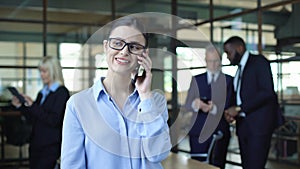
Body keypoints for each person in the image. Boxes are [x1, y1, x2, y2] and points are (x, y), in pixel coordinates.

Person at [61, 16, 171, 169]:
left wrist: (145, 96)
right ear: (106, 47)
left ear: (144, 54)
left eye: (134, 46)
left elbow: (158, 154)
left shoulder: (155, 102)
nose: (124, 51)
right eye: (118, 43)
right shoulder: (78, 105)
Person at [223, 36, 278, 169]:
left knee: (255, 166)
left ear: (240, 48)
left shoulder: (259, 62)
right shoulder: (239, 69)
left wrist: (239, 108)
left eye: (229, 53)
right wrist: (231, 111)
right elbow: (239, 95)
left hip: (259, 127)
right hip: (244, 127)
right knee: (247, 166)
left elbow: (267, 92)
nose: (227, 57)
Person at [11, 56, 70, 169]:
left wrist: (33, 105)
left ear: (53, 71)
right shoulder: (42, 93)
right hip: (36, 144)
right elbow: (34, 119)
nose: (41, 75)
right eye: (40, 71)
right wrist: (21, 106)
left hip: (50, 147)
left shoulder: (61, 93)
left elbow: (54, 120)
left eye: (44, 71)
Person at [184, 45, 235, 169]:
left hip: (219, 131)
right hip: (198, 131)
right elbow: (187, 105)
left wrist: (215, 109)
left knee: (218, 165)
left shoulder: (229, 81)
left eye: (216, 61)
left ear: (221, 61)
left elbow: (231, 105)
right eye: (210, 61)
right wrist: (195, 105)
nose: (213, 64)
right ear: (205, 60)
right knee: (197, 164)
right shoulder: (196, 79)